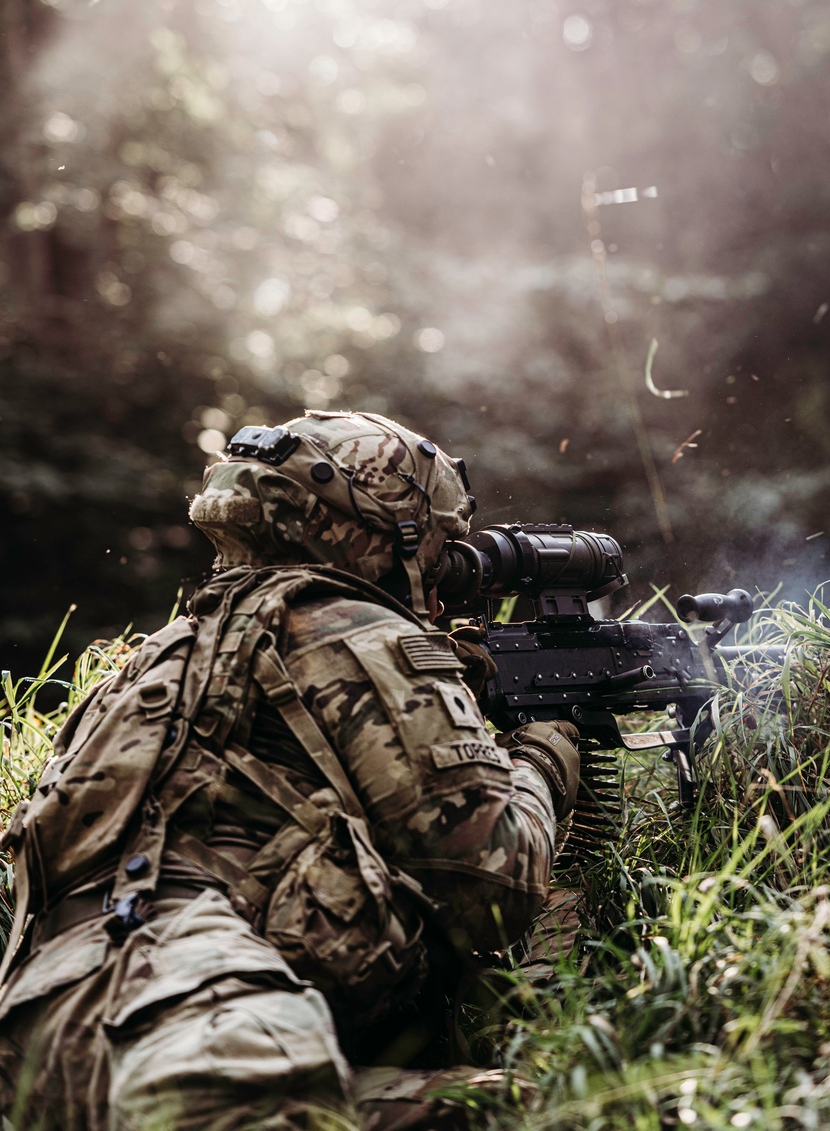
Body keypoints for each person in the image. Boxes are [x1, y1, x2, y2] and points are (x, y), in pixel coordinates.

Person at [0, 410, 579, 1131]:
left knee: (475, 1095)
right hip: (221, 1041)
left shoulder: (155, 659)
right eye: (441, 549)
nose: (445, 573)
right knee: (552, 1111)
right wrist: (543, 760)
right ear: (391, 533)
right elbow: (495, 882)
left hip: (42, 1042)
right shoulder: (361, 632)